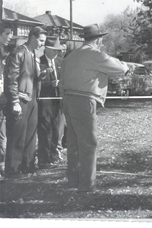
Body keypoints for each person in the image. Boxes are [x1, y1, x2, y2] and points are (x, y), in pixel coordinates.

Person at [60, 24, 128, 192]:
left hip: (68, 99)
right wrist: (126, 66)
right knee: (89, 144)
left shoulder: (72, 55)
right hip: (84, 101)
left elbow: (61, 81)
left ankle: (73, 182)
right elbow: (119, 68)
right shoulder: (94, 54)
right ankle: (87, 186)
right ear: (98, 40)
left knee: (74, 143)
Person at [4, 26, 47, 178]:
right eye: (41, 41)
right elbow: (11, 79)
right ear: (33, 38)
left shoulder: (33, 53)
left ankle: (28, 165)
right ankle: (13, 170)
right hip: (21, 99)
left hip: (33, 98)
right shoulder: (18, 53)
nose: (42, 44)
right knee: (17, 135)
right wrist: (15, 101)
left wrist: (41, 76)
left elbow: (30, 76)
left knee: (30, 134)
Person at [37, 37, 65, 169]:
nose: (56, 53)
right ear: (46, 49)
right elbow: (35, 83)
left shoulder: (61, 62)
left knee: (56, 129)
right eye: (54, 50)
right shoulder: (38, 62)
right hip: (45, 101)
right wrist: (50, 84)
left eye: (58, 51)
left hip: (58, 101)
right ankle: (44, 159)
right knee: (45, 129)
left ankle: (54, 155)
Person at [0, 21, 14, 177]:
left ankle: (1, 168)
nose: (10, 36)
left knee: (2, 136)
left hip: (2, 101)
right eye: (7, 34)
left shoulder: (3, 53)